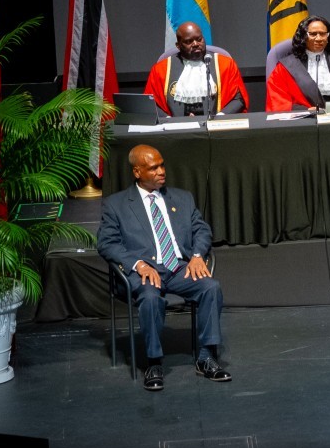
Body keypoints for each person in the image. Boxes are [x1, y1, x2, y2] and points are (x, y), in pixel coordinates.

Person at [97, 145, 231, 391]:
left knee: (210, 287)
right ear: (137, 172)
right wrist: (138, 264)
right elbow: (107, 243)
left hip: (179, 267)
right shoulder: (116, 204)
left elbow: (201, 229)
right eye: (153, 168)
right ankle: (154, 362)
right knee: (150, 297)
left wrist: (197, 256)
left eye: (162, 165)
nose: (161, 171)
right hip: (144, 271)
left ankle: (206, 358)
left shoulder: (182, 198)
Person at [265, 15, 330, 112]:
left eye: (323, 34)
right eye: (313, 34)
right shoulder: (284, 68)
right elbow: (278, 103)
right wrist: (306, 111)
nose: (319, 38)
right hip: (303, 121)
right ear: (303, 37)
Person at [143, 21, 248, 116]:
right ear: (178, 45)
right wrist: (169, 120)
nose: (196, 44)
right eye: (189, 41)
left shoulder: (226, 64)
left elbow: (239, 99)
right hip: (176, 127)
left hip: (216, 125)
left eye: (199, 39)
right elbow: (150, 104)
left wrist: (220, 117)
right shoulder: (161, 70)